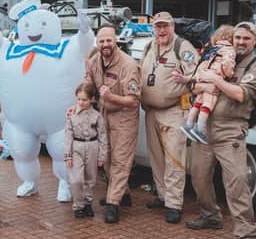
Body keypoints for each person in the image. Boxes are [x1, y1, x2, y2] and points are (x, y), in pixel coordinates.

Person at [186, 22, 256, 239]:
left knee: (237, 184)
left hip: (231, 130)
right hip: (205, 128)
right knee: (199, 176)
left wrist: (216, 80)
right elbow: (195, 85)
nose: (241, 42)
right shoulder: (219, 56)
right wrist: (206, 80)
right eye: (237, 37)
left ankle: (246, 236)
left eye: (246, 38)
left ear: (254, 41)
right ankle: (210, 216)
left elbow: (242, 94)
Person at [139, 11, 199, 224]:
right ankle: (163, 195)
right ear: (153, 28)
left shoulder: (183, 47)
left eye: (165, 26)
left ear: (173, 26)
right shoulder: (148, 47)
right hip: (151, 112)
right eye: (158, 26)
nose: (162, 30)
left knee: (174, 159)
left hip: (174, 110)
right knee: (156, 157)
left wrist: (187, 79)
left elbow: (198, 75)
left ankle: (174, 204)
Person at [84, 23, 141, 223]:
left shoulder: (128, 65)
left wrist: (110, 96)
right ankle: (122, 193)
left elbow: (133, 100)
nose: (105, 44)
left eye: (109, 40)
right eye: (102, 41)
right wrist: (80, 102)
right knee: (106, 158)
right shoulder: (93, 61)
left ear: (115, 41)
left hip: (124, 116)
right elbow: (88, 86)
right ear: (97, 43)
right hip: (103, 114)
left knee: (120, 159)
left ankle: (113, 203)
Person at [181, 25, 236, 144]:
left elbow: (202, 64)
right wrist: (229, 74)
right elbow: (227, 64)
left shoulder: (212, 49)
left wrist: (199, 77)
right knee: (207, 105)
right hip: (215, 78)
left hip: (203, 76)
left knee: (197, 103)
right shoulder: (229, 50)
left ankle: (188, 124)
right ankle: (199, 129)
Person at [64, 83, 108, 218]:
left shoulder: (97, 116)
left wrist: (102, 156)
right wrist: (68, 155)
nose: (81, 102)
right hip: (76, 146)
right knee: (76, 180)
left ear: (92, 99)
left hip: (92, 146)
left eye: (84, 100)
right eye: (79, 99)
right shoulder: (71, 114)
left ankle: (87, 203)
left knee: (90, 178)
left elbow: (102, 135)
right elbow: (67, 135)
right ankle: (78, 205)